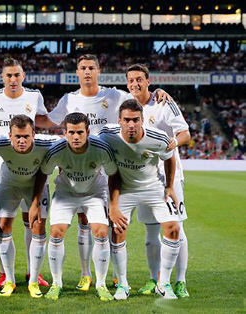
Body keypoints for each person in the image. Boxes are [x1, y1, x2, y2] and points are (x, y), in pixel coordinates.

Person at [37, 54, 173, 291]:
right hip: (81, 164)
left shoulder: (114, 95)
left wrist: (159, 91)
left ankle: (113, 275)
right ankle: (86, 274)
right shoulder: (69, 100)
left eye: (91, 67)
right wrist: (19, 113)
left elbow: (141, 96)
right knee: (85, 220)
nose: (87, 72)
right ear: (77, 73)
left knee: (108, 222)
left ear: (99, 71)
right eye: (83, 68)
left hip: (110, 164)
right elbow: (49, 121)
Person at [0, 58, 50, 288]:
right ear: (2, 77)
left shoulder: (34, 97)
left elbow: (45, 121)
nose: (13, 79)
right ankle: (2, 272)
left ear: (23, 76)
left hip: (31, 168)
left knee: (33, 221)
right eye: (8, 75)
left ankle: (32, 272)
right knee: (0, 223)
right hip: (0, 170)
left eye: (17, 75)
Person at [99, 100, 182, 300]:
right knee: (118, 232)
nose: (131, 124)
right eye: (126, 120)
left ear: (142, 121)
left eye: (135, 120)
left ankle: (164, 283)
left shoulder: (158, 138)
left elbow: (169, 157)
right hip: (125, 189)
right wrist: (112, 205)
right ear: (119, 121)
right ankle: (123, 285)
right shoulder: (107, 135)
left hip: (154, 187)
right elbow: (111, 172)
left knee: (173, 228)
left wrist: (170, 186)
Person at [33, 112, 118, 301]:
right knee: (56, 232)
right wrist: (35, 203)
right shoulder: (57, 150)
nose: (75, 137)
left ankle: (101, 284)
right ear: (65, 133)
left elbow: (114, 174)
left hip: (94, 192)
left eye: (80, 132)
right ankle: (57, 283)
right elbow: (42, 174)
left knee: (101, 232)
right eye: (71, 132)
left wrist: (113, 204)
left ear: (88, 131)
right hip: (66, 193)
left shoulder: (101, 148)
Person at [126, 64, 191, 298]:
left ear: (148, 81)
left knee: (176, 227)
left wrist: (171, 143)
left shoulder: (163, 102)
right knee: (151, 231)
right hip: (143, 177)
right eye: (131, 80)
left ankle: (180, 280)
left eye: (139, 79)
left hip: (168, 176)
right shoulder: (127, 105)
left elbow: (185, 133)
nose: (135, 84)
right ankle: (154, 280)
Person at [0, 115, 58, 298]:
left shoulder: (47, 144)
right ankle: (9, 280)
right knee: (3, 227)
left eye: (26, 136)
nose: (22, 141)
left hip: (36, 187)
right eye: (17, 136)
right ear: (9, 135)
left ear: (34, 134)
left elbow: (71, 142)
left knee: (38, 227)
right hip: (9, 186)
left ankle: (33, 281)